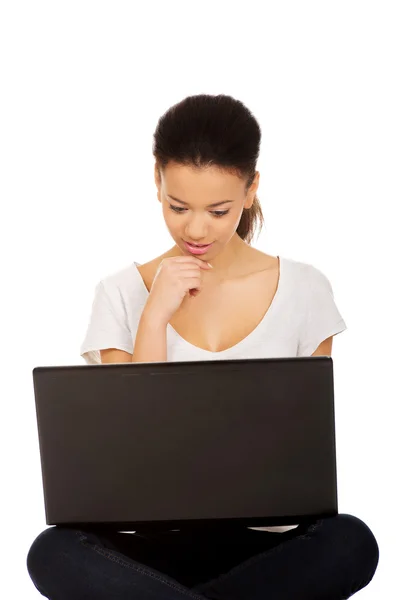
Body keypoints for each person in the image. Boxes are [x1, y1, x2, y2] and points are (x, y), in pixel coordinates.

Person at [26, 94, 379, 599]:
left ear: (251, 188)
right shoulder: (121, 293)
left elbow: (302, 451)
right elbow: (135, 448)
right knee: (54, 550)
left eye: (218, 211)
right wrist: (155, 315)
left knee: (350, 542)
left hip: (266, 546)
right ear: (157, 181)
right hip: (151, 547)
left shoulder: (305, 288)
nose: (195, 229)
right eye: (178, 206)